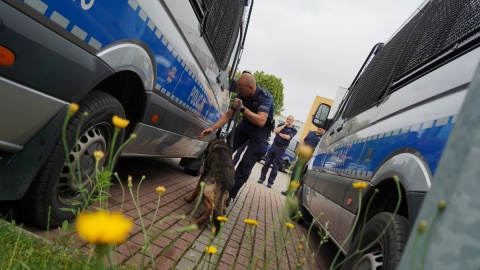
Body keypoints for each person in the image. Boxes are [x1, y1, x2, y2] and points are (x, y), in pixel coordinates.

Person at [199, 72, 274, 204]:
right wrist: (213, 127)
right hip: (246, 125)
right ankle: (212, 185)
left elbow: (261, 121)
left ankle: (227, 197)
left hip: (261, 132)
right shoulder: (242, 95)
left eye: (241, 89)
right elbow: (228, 115)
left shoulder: (264, 97)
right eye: (238, 88)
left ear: (251, 87)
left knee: (245, 166)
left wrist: (243, 109)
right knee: (224, 150)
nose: (238, 91)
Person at [281, 127, 325, 195]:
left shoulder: (323, 138)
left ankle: (296, 194)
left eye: (322, 128)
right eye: (319, 127)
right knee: (294, 174)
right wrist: (299, 147)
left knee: (301, 178)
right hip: (301, 158)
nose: (319, 128)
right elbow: (304, 141)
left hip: (309, 161)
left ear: (324, 130)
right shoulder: (311, 133)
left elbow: (322, 149)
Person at [258, 116, 297, 188]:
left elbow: (288, 137)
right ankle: (261, 178)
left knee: (275, 166)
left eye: (290, 120)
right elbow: (275, 131)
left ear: (292, 121)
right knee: (267, 163)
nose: (288, 120)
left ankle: (270, 182)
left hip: (281, 149)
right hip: (274, 146)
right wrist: (284, 125)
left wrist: (279, 134)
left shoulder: (293, 130)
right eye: (287, 119)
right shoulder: (281, 125)